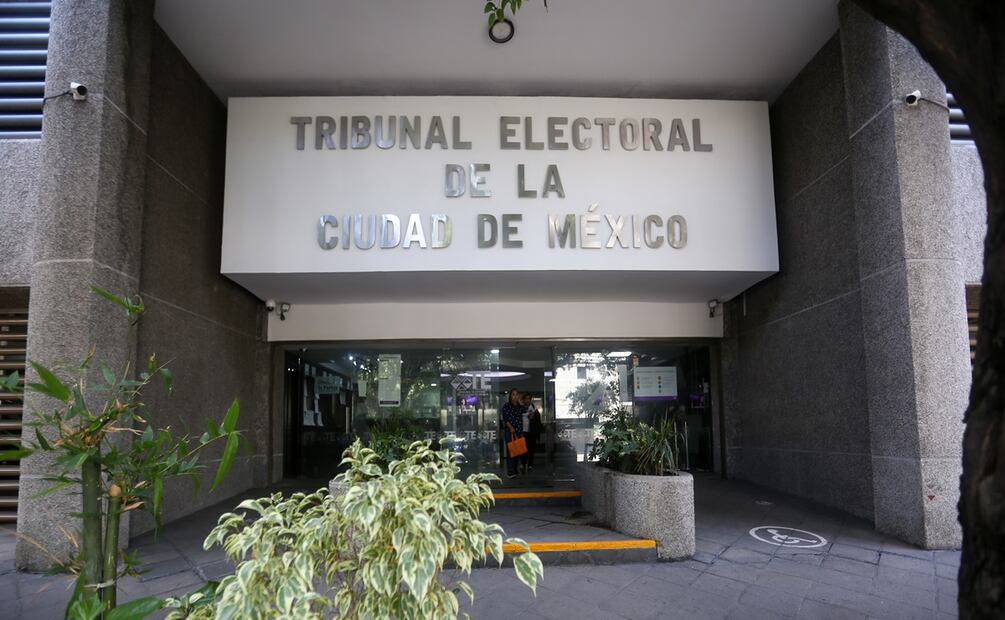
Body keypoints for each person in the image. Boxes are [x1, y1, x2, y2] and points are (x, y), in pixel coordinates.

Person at [500, 388, 524, 479]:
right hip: (510, 431)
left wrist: (521, 404)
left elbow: (525, 411)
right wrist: (511, 428)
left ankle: (515, 469)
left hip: (519, 431)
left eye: (517, 394)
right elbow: (505, 419)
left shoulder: (519, 406)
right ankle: (510, 471)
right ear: (510, 396)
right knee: (511, 452)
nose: (515, 396)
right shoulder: (506, 406)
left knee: (518, 452)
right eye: (513, 394)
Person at [521, 393, 543, 472]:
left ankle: (530, 464)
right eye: (526, 399)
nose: (527, 400)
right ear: (523, 400)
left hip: (532, 432)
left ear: (530, 400)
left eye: (528, 399)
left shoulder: (534, 409)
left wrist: (532, 417)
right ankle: (523, 464)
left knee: (531, 449)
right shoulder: (521, 408)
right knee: (523, 449)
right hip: (523, 431)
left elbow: (538, 422)